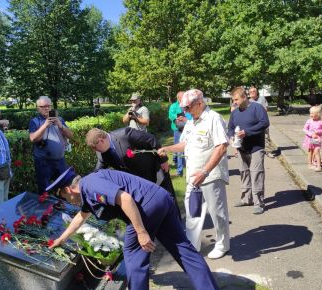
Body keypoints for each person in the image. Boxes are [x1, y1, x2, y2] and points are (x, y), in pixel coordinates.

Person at [48, 167, 219, 290]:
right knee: (182, 247)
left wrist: (141, 232)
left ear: (67, 189)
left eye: (64, 197)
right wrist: (62, 239)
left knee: (133, 254)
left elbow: (126, 199)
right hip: (161, 199)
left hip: (146, 207)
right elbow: (80, 217)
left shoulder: (90, 186)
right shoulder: (87, 189)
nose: (68, 201)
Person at [158, 89, 230, 260]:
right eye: (184, 109)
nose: (186, 112)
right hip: (193, 177)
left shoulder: (214, 119)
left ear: (199, 103)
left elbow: (221, 147)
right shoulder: (191, 121)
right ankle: (192, 246)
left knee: (217, 212)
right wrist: (167, 148)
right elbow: (184, 144)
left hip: (210, 176)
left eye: (188, 108)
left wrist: (205, 171)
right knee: (193, 212)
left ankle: (223, 244)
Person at [85, 127, 179, 213]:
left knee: (169, 200)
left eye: (95, 147)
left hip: (155, 172)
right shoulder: (101, 153)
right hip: (140, 184)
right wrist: (88, 182)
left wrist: (164, 160)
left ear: (101, 140)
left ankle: (179, 227)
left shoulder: (125, 134)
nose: (95, 151)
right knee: (155, 209)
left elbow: (151, 140)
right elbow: (99, 171)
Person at [227, 87, 270, 215]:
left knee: (256, 173)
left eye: (236, 99)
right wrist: (231, 136)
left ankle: (259, 202)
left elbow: (264, 123)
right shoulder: (235, 112)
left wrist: (247, 132)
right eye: (233, 100)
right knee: (244, 172)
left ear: (244, 97)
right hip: (242, 148)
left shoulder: (257, 108)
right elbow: (230, 127)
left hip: (256, 147)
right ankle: (246, 198)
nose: (234, 102)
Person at [29, 96, 73, 193]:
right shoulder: (34, 121)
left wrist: (61, 126)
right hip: (43, 162)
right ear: (38, 108)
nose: (47, 108)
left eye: (48, 106)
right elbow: (32, 138)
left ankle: (62, 206)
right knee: (45, 191)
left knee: (65, 188)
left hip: (60, 160)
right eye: (43, 106)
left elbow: (70, 135)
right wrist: (44, 126)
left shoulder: (59, 119)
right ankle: (46, 208)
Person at [249, 86, 275, 158]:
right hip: (254, 123)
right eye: (250, 92)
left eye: (253, 91)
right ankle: (255, 151)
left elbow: (265, 109)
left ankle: (268, 152)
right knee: (254, 137)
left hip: (263, 121)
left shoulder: (262, 99)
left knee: (266, 137)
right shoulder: (249, 101)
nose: (252, 93)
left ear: (257, 92)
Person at [168, 91, 188, 177]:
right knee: (178, 148)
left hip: (187, 129)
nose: (184, 98)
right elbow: (171, 115)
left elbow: (190, 116)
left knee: (185, 149)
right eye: (182, 97)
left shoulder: (187, 105)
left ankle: (182, 169)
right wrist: (177, 118)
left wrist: (185, 118)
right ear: (178, 98)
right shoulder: (174, 106)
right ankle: (179, 168)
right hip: (177, 129)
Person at [302, 106, 322, 172]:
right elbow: (304, 129)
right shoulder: (309, 121)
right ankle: (310, 164)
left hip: (317, 139)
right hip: (309, 139)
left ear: (318, 114)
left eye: (313, 113)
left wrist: (318, 131)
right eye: (311, 113)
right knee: (310, 151)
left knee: (316, 151)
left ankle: (319, 166)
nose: (311, 115)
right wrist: (311, 134)